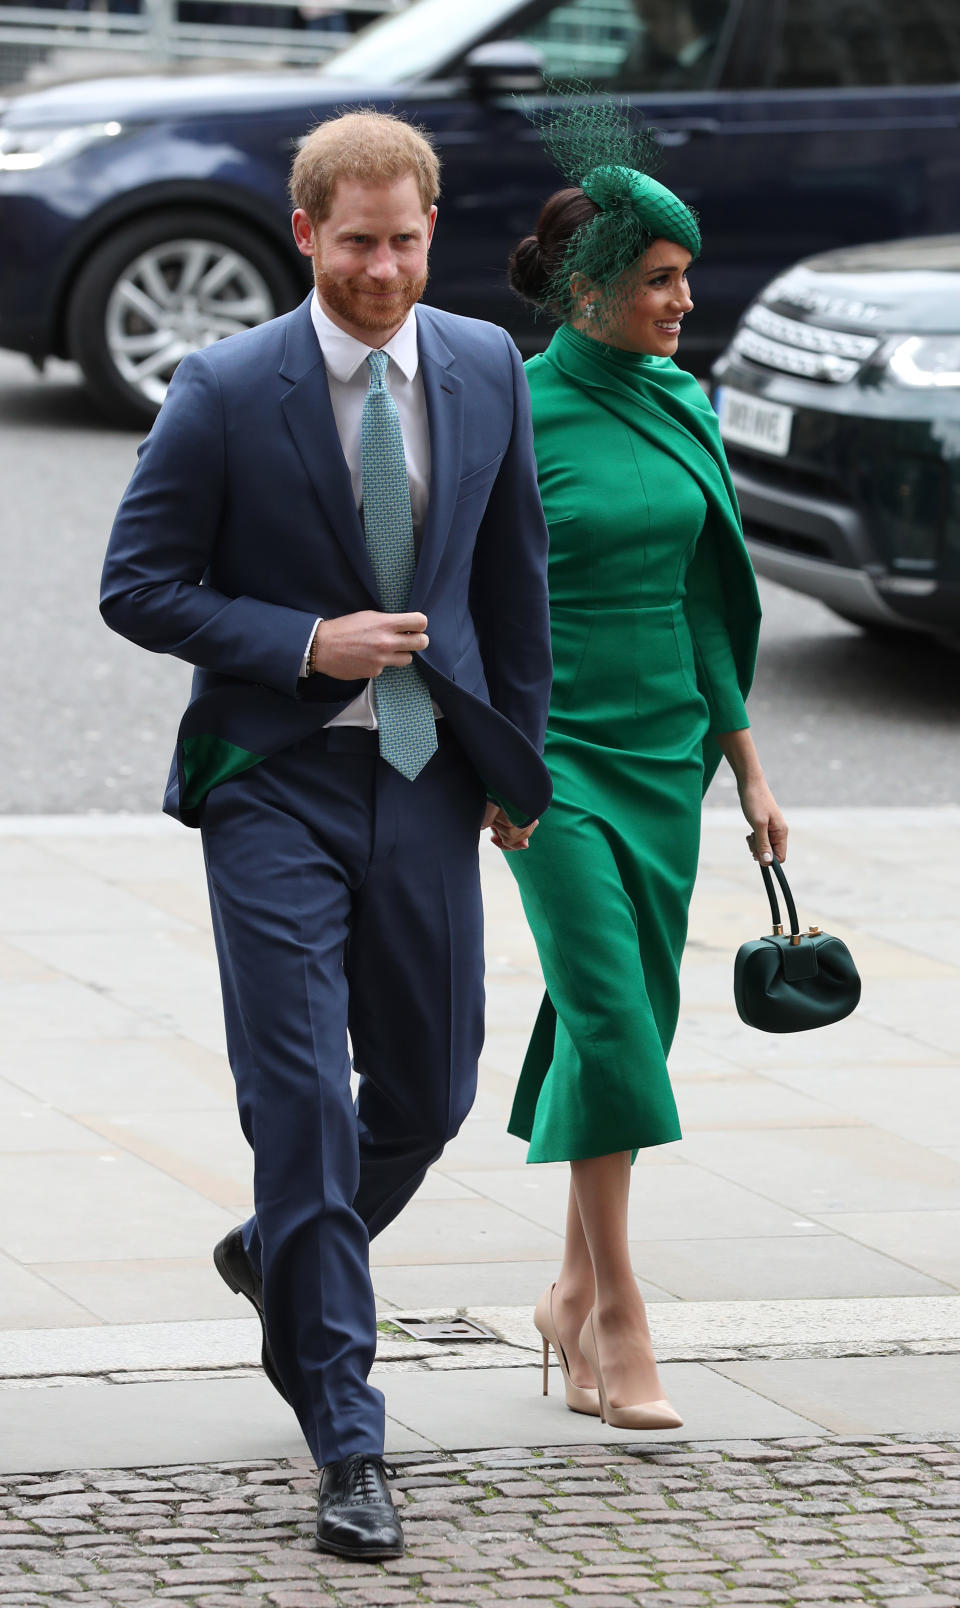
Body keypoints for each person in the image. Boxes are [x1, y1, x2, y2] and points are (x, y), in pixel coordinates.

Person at [100, 110, 552, 1559]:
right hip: (274, 779)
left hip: (430, 782)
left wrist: (517, 769)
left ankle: (277, 1258)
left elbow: (513, 580)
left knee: (422, 1097)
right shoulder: (227, 386)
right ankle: (349, 1442)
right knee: (300, 1104)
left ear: (433, 233)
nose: (382, 270)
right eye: (355, 242)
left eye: (406, 242)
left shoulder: (484, 365)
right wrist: (308, 639)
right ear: (306, 235)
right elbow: (139, 584)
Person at [505, 108, 787, 1431]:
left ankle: (563, 1290)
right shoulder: (509, 409)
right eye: (662, 280)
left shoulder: (681, 401)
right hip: (552, 764)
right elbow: (465, 600)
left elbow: (700, 600)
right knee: (613, 1019)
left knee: (618, 1024)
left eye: (687, 276)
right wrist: (485, 761)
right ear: (589, 288)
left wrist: (748, 768)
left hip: (668, 754)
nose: (687, 301)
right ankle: (621, 1314)